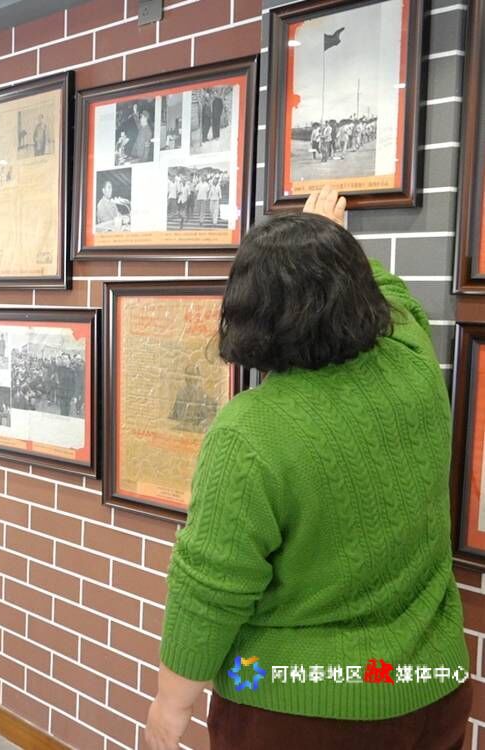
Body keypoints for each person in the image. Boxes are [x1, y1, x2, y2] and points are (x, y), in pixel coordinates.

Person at [145, 187, 472, 750]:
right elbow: (398, 304)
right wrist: (331, 247)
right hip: (433, 688)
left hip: (300, 711)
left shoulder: (250, 431)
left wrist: (170, 707)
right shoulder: (414, 363)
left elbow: (210, 588)